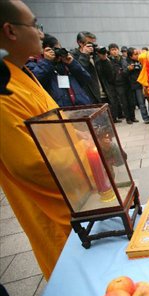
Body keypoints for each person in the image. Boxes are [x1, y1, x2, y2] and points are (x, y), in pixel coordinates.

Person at [0, 0, 71, 279]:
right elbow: (31, 164)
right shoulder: (4, 90)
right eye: (34, 25)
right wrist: (92, 155)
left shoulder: (22, 72)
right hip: (56, 208)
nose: (41, 33)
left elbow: (56, 121)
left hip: (77, 193)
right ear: (10, 31)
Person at [31, 33, 92, 107]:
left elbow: (86, 79)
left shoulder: (65, 63)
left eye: (59, 48)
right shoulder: (36, 64)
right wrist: (47, 62)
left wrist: (72, 63)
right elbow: (35, 81)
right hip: (59, 111)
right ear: (44, 50)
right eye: (55, 49)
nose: (58, 52)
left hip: (80, 107)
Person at [109, 43, 136, 124]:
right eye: (112, 50)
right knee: (124, 102)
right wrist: (126, 70)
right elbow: (118, 72)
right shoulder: (110, 61)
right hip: (118, 84)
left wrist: (127, 69)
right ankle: (128, 118)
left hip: (127, 82)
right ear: (110, 51)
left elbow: (125, 71)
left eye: (116, 49)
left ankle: (133, 117)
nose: (114, 51)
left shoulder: (123, 59)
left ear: (118, 50)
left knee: (131, 101)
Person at [125, 47, 149, 124]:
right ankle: (145, 118)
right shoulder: (128, 63)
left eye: (138, 53)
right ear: (130, 56)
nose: (137, 55)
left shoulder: (142, 60)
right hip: (137, 86)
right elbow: (124, 74)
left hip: (146, 83)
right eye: (135, 54)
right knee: (141, 103)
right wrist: (129, 69)